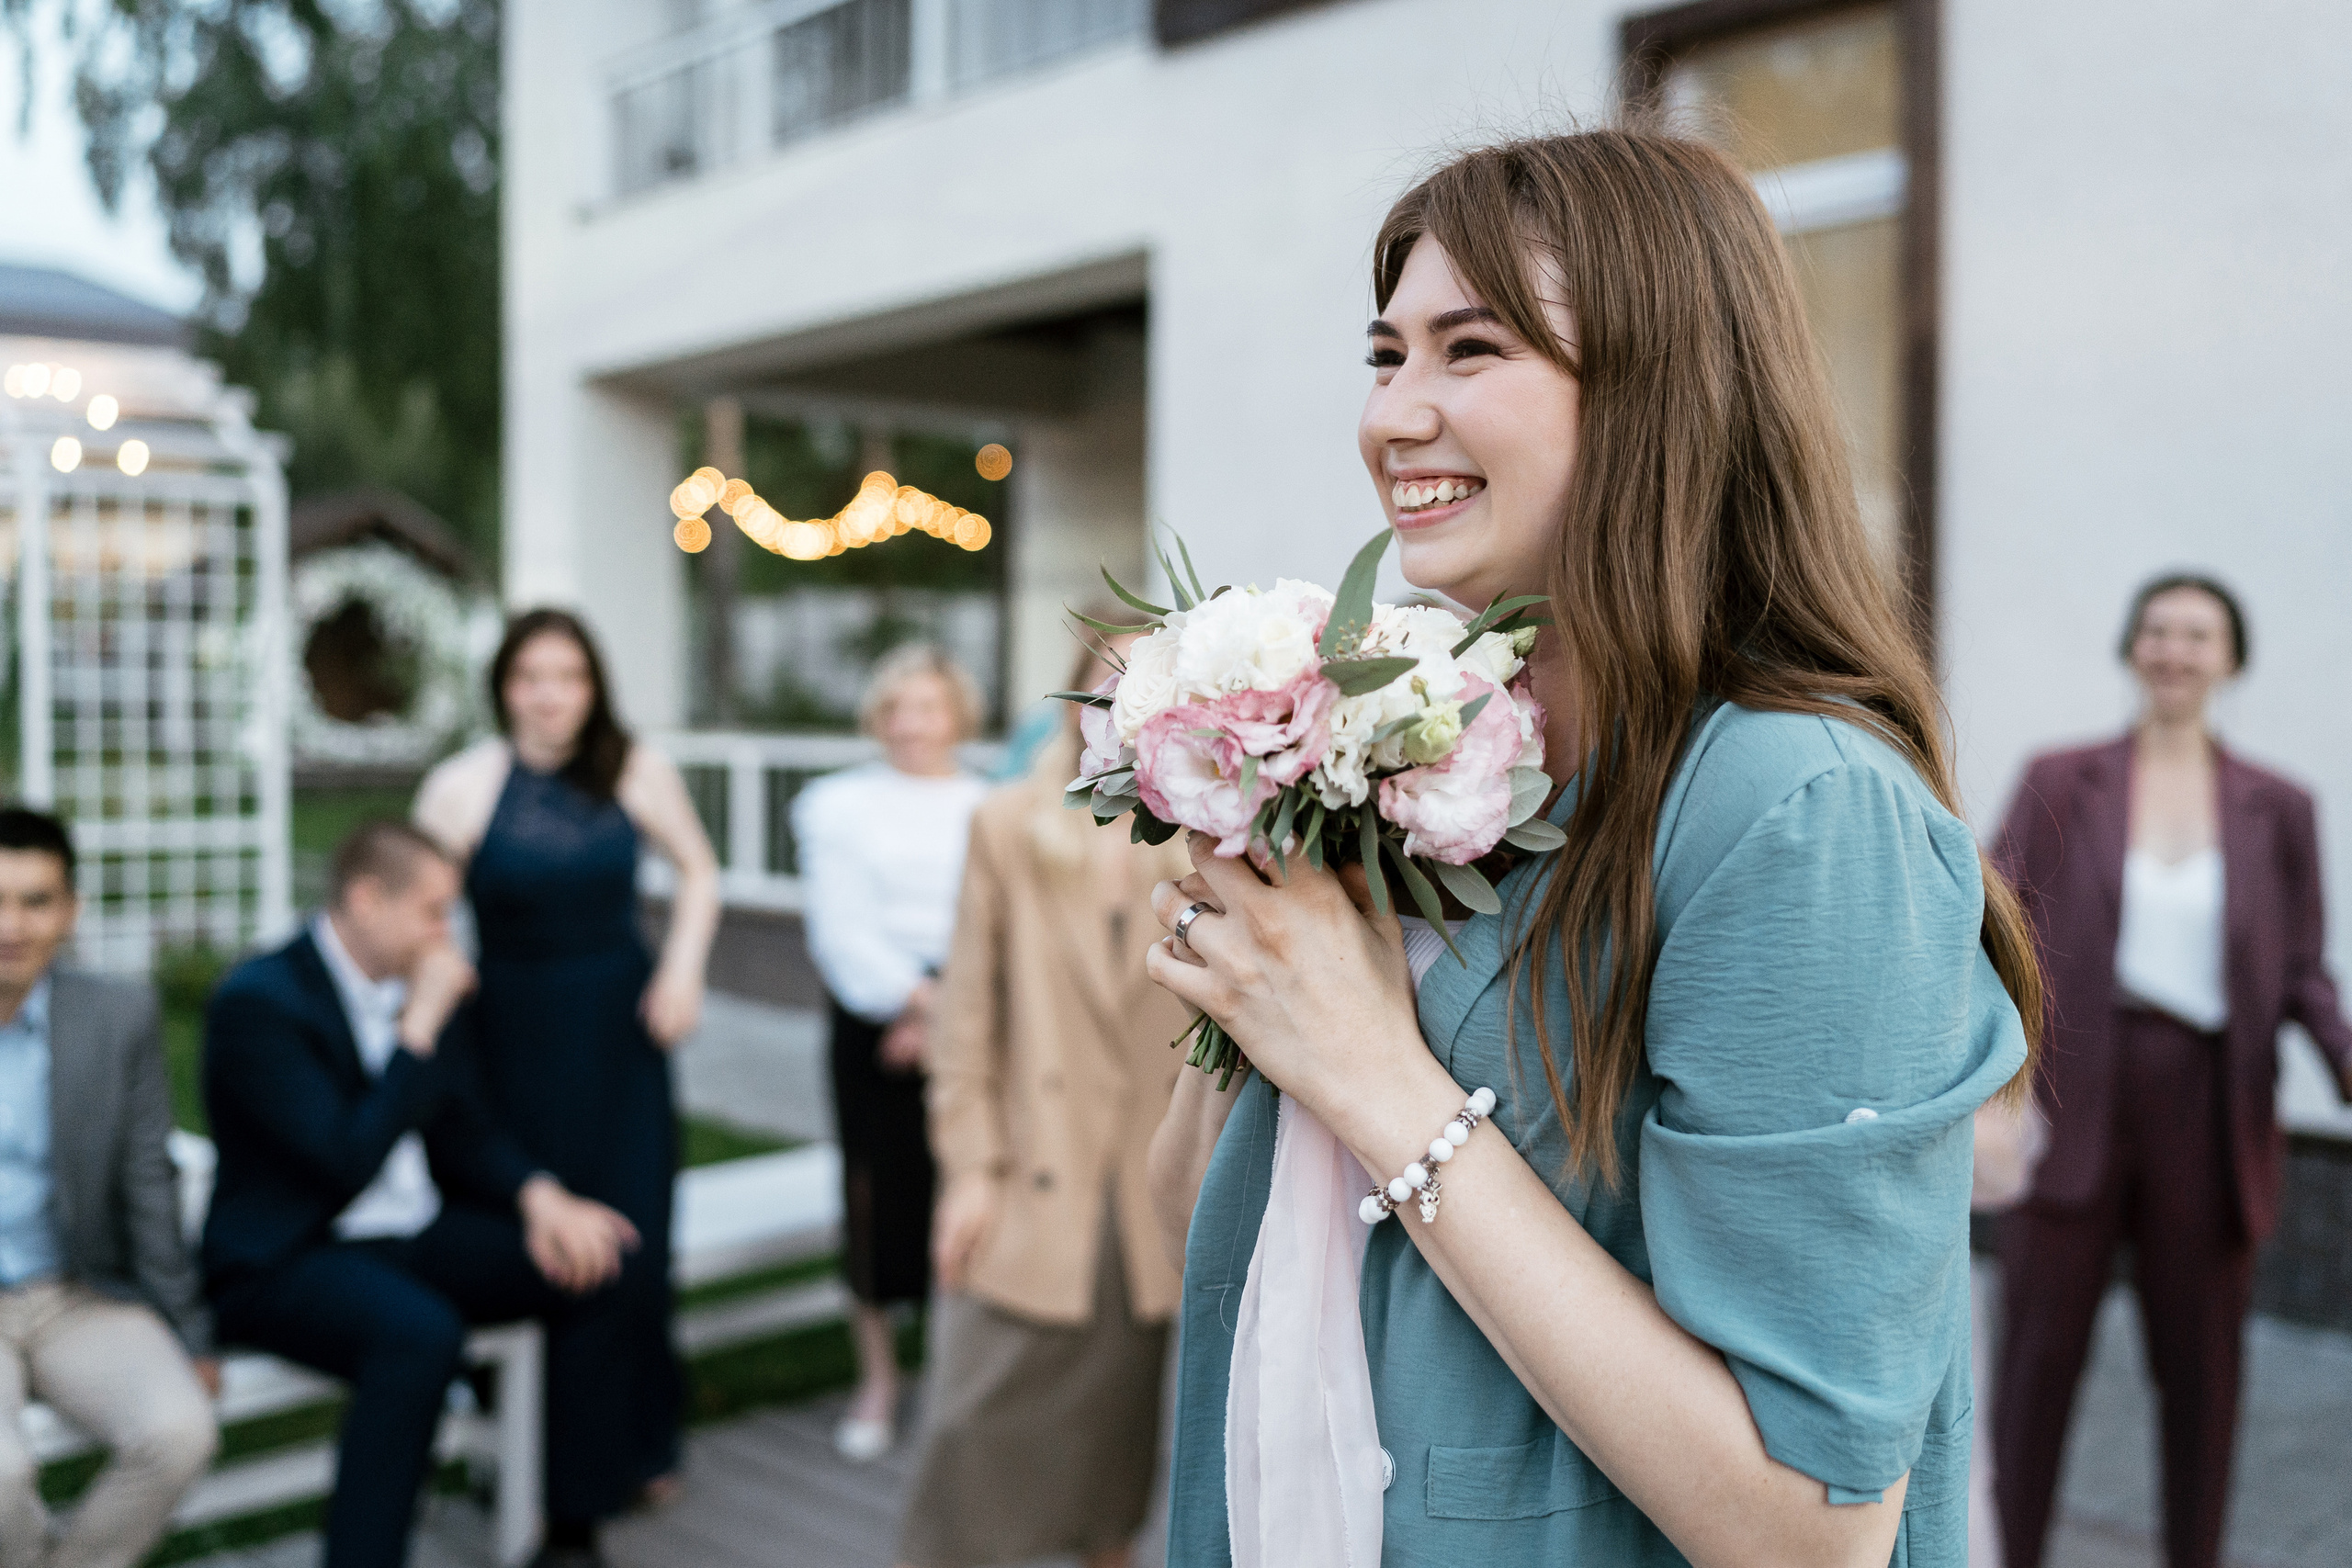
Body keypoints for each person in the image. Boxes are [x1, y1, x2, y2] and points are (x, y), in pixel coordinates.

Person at [1142, 129, 2042, 1568]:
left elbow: (1812, 1527)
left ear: (1656, 390)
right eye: (1387, 356)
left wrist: (1380, 1076)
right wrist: (1249, 956)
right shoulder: (1436, 757)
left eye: (1470, 349)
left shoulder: (1797, 811)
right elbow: (1193, 1228)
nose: (1394, 415)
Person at [1990, 575, 2352, 1568]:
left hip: (2209, 1105)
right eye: (2156, 630)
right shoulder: (2061, 779)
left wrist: (2344, 1062)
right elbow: (1991, 924)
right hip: (2073, 1097)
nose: (2174, 651)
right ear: (2130, 647)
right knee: (2035, 1366)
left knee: (2202, 1375)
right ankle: (2012, 1551)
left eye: (2197, 635)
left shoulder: (2278, 807)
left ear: (2229, 659)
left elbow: (2298, 970)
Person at [201, 820, 645, 1568]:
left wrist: (541, 1197)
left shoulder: (417, 983)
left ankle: (564, 1527)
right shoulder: (261, 1001)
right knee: (419, 1336)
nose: (445, 932)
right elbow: (341, 1162)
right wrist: (420, 1028)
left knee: (597, 1260)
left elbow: (464, 1127)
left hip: (408, 1237)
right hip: (287, 1256)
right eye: (433, 911)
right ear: (367, 899)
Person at [412, 607, 721, 1534]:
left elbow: (700, 874)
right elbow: (420, 912)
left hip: (620, 1036)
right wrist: (440, 975)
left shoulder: (637, 769)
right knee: (534, 1243)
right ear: (503, 687)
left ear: (594, 687)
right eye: (530, 678)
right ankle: (534, 1459)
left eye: (569, 677)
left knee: (634, 1241)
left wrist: (682, 968)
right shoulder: (460, 788)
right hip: (509, 1037)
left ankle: (632, 1445)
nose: (549, 697)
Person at [894, 635, 1193, 1568]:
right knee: (969, 1438)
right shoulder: (1007, 822)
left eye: (1151, 678)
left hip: (1142, 1195)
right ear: (1072, 694)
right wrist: (969, 1172)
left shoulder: (1208, 833)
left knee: (1113, 1468)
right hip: (1029, 1177)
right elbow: (965, 1019)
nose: (1124, 696)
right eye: (1109, 676)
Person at [0, 807, 219, 1568]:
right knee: (0, 1476)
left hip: (74, 1291)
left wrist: (187, 1328)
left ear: (71, 910)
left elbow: (146, 1179)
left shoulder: (116, 1013)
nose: (12, 925)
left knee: (180, 1430)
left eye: (35, 900)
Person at [791, 644, 988, 1461]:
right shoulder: (834, 806)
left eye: (928, 706)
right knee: (874, 1198)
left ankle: (953, 1374)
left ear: (957, 715)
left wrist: (949, 1013)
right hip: (874, 1022)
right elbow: (840, 932)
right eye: (896, 707)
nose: (911, 724)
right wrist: (918, 1006)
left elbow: (993, 922)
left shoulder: (991, 804)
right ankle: (876, 1378)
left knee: (962, 1190)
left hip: (973, 1014)